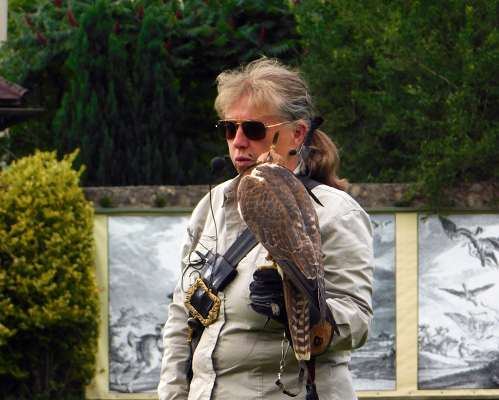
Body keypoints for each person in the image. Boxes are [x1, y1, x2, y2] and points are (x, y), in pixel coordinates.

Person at [158, 57, 374, 400]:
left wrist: (304, 310)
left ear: (297, 133)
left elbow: (358, 319)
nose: (238, 141)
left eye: (254, 129)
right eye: (229, 128)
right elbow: (181, 315)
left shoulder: (334, 213)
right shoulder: (212, 205)